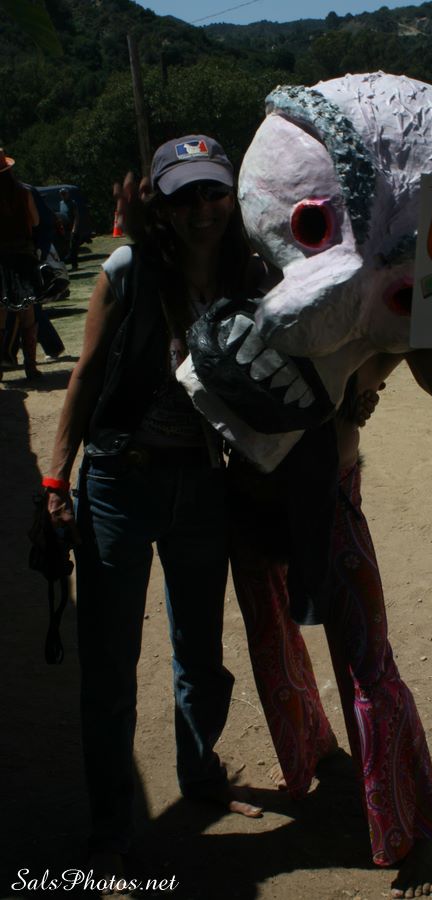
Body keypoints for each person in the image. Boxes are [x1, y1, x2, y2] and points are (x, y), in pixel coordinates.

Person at [228, 347, 432, 899]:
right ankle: (314, 749)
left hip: (330, 490)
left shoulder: (385, 305)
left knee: (368, 660)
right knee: (272, 634)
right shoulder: (253, 290)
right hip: (253, 491)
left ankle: (420, 829)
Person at [45, 135, 263, 880]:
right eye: (184, 197)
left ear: (232, 196)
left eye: (214, 192)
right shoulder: (128, 271)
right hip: (118, 483)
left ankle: (200, 774)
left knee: (201, 654)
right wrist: (55, 480)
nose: (203, 210)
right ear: (159, 206)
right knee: (110, 666)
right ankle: (110, 828)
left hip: (201, 484)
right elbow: (86, 375)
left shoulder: (247, 275)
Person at [0, 148, 42, 380]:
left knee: (0, 315)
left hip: (1, 260)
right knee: (28, 314)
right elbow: (35, 221)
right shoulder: (23, 192)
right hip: (23, 256)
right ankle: (31, 367)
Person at [58, 187, 81, 271]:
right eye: (62, 194)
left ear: (68, 194)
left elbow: (76, 216)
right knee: (66, 248)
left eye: (64, 193)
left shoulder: (72, 203)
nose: (63, 195)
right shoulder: (61, 203)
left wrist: (74, 229)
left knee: (73, 247)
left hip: (72, 228)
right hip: (65, 228)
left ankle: (74, 265)